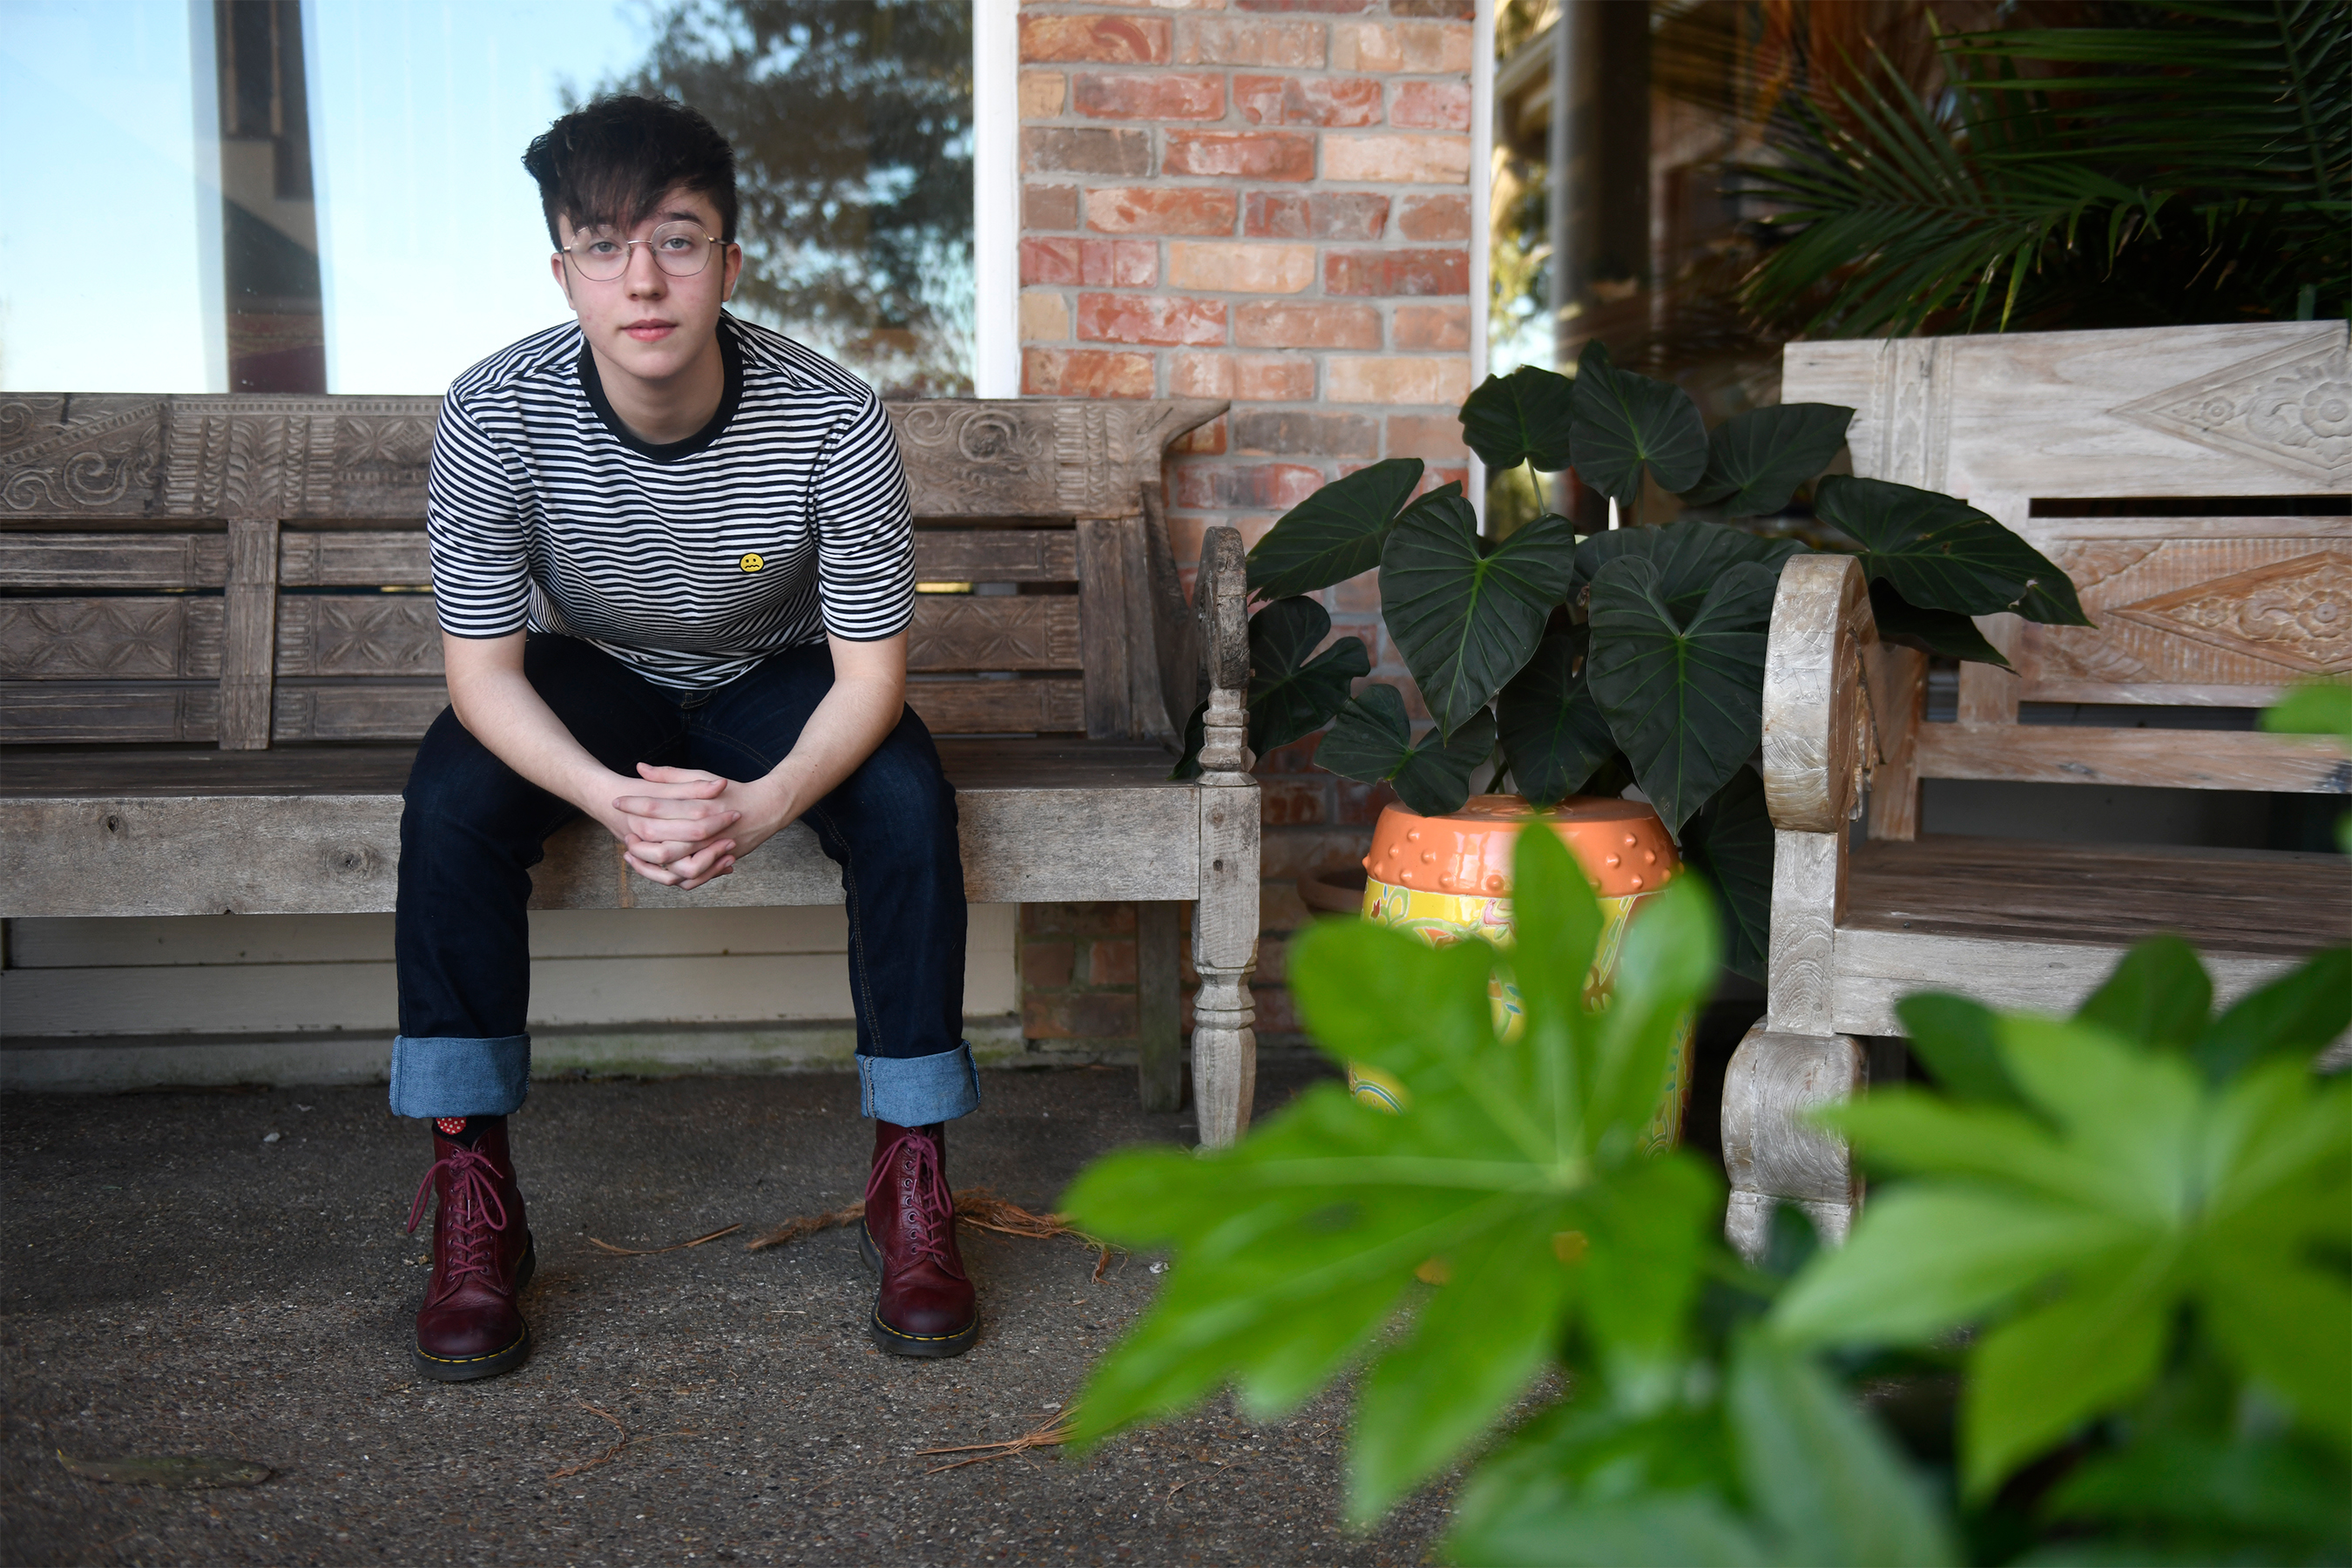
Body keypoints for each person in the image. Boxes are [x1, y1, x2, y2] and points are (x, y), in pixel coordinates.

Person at [395, 93, 977, 1381]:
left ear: (730, 257)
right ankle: (473, 1194)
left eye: (676, 237)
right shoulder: (494, 412)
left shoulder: (832, 415)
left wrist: (760, 805)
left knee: (901, 793)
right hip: (594, 676)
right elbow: (485, 677)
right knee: (449, 793)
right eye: (602, 245)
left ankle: (913, 1176)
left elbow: (871, 679)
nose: (641, 277)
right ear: (562, 269)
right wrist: (614, 800)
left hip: (781, 676)